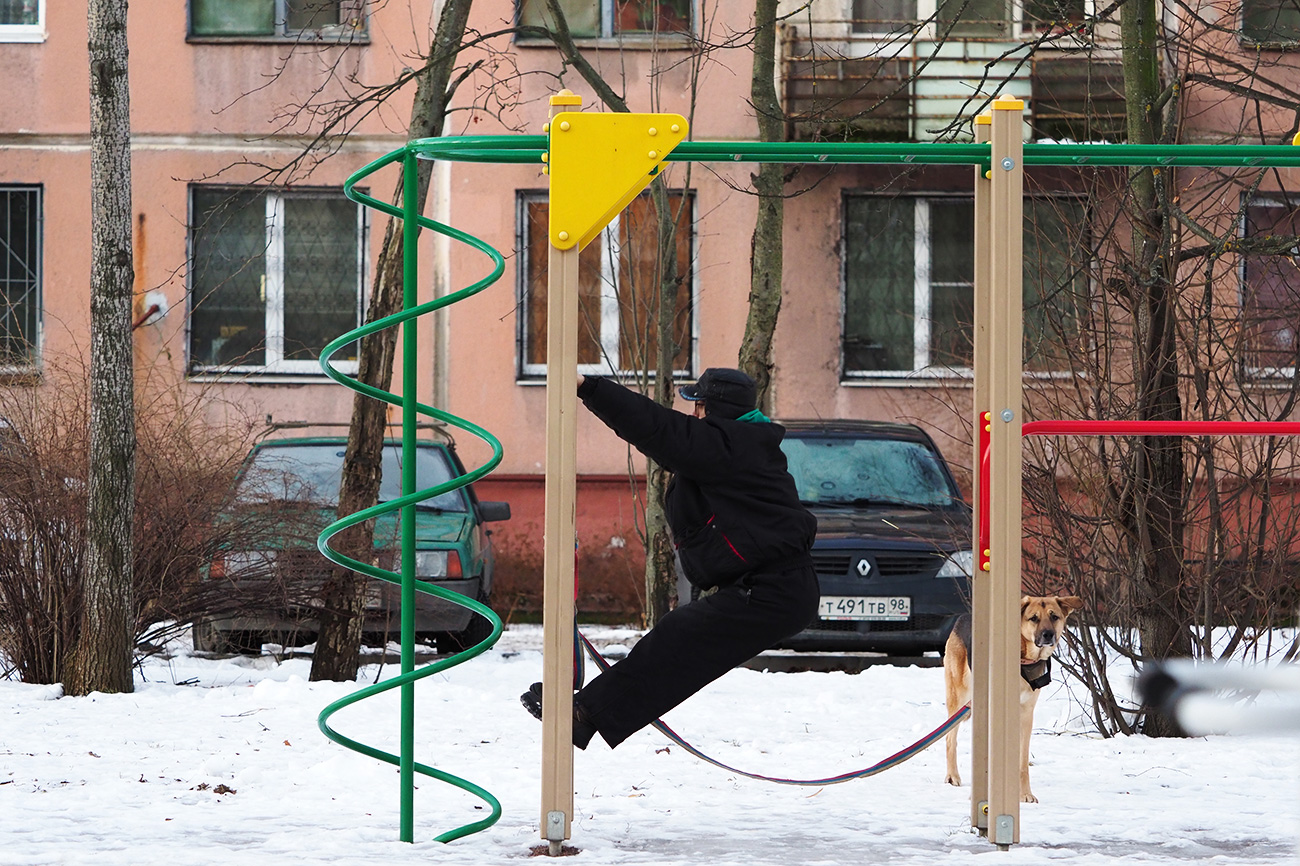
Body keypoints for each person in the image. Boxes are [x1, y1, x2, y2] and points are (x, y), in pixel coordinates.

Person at [521, 367, 820, 750]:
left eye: (697, 405)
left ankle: (585, 715)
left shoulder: (729, 445)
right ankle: (587, 715)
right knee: (681, 645)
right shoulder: (737, 445)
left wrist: (590, 388)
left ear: (709, 409)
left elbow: (657, 427)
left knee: (678, 640)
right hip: (773, 588)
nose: (692, 413)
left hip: (775, 589)